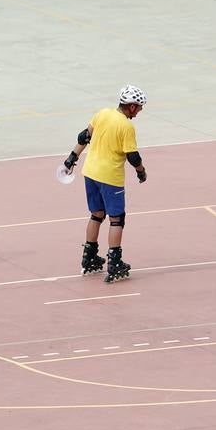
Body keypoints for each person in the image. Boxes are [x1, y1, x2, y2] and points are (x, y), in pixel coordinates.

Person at [62, 85, 148, 283]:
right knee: (117, 219)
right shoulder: (126, 126)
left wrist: (72, 157)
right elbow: (133, 156)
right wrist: (141, 171)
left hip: (90, 172)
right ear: (132, 107)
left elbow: (84, 136)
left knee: (97, 214)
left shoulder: (102, 113)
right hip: (110, 177)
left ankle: (89, 257)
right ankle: (114, 262)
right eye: (140, 107)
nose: (140, 111)